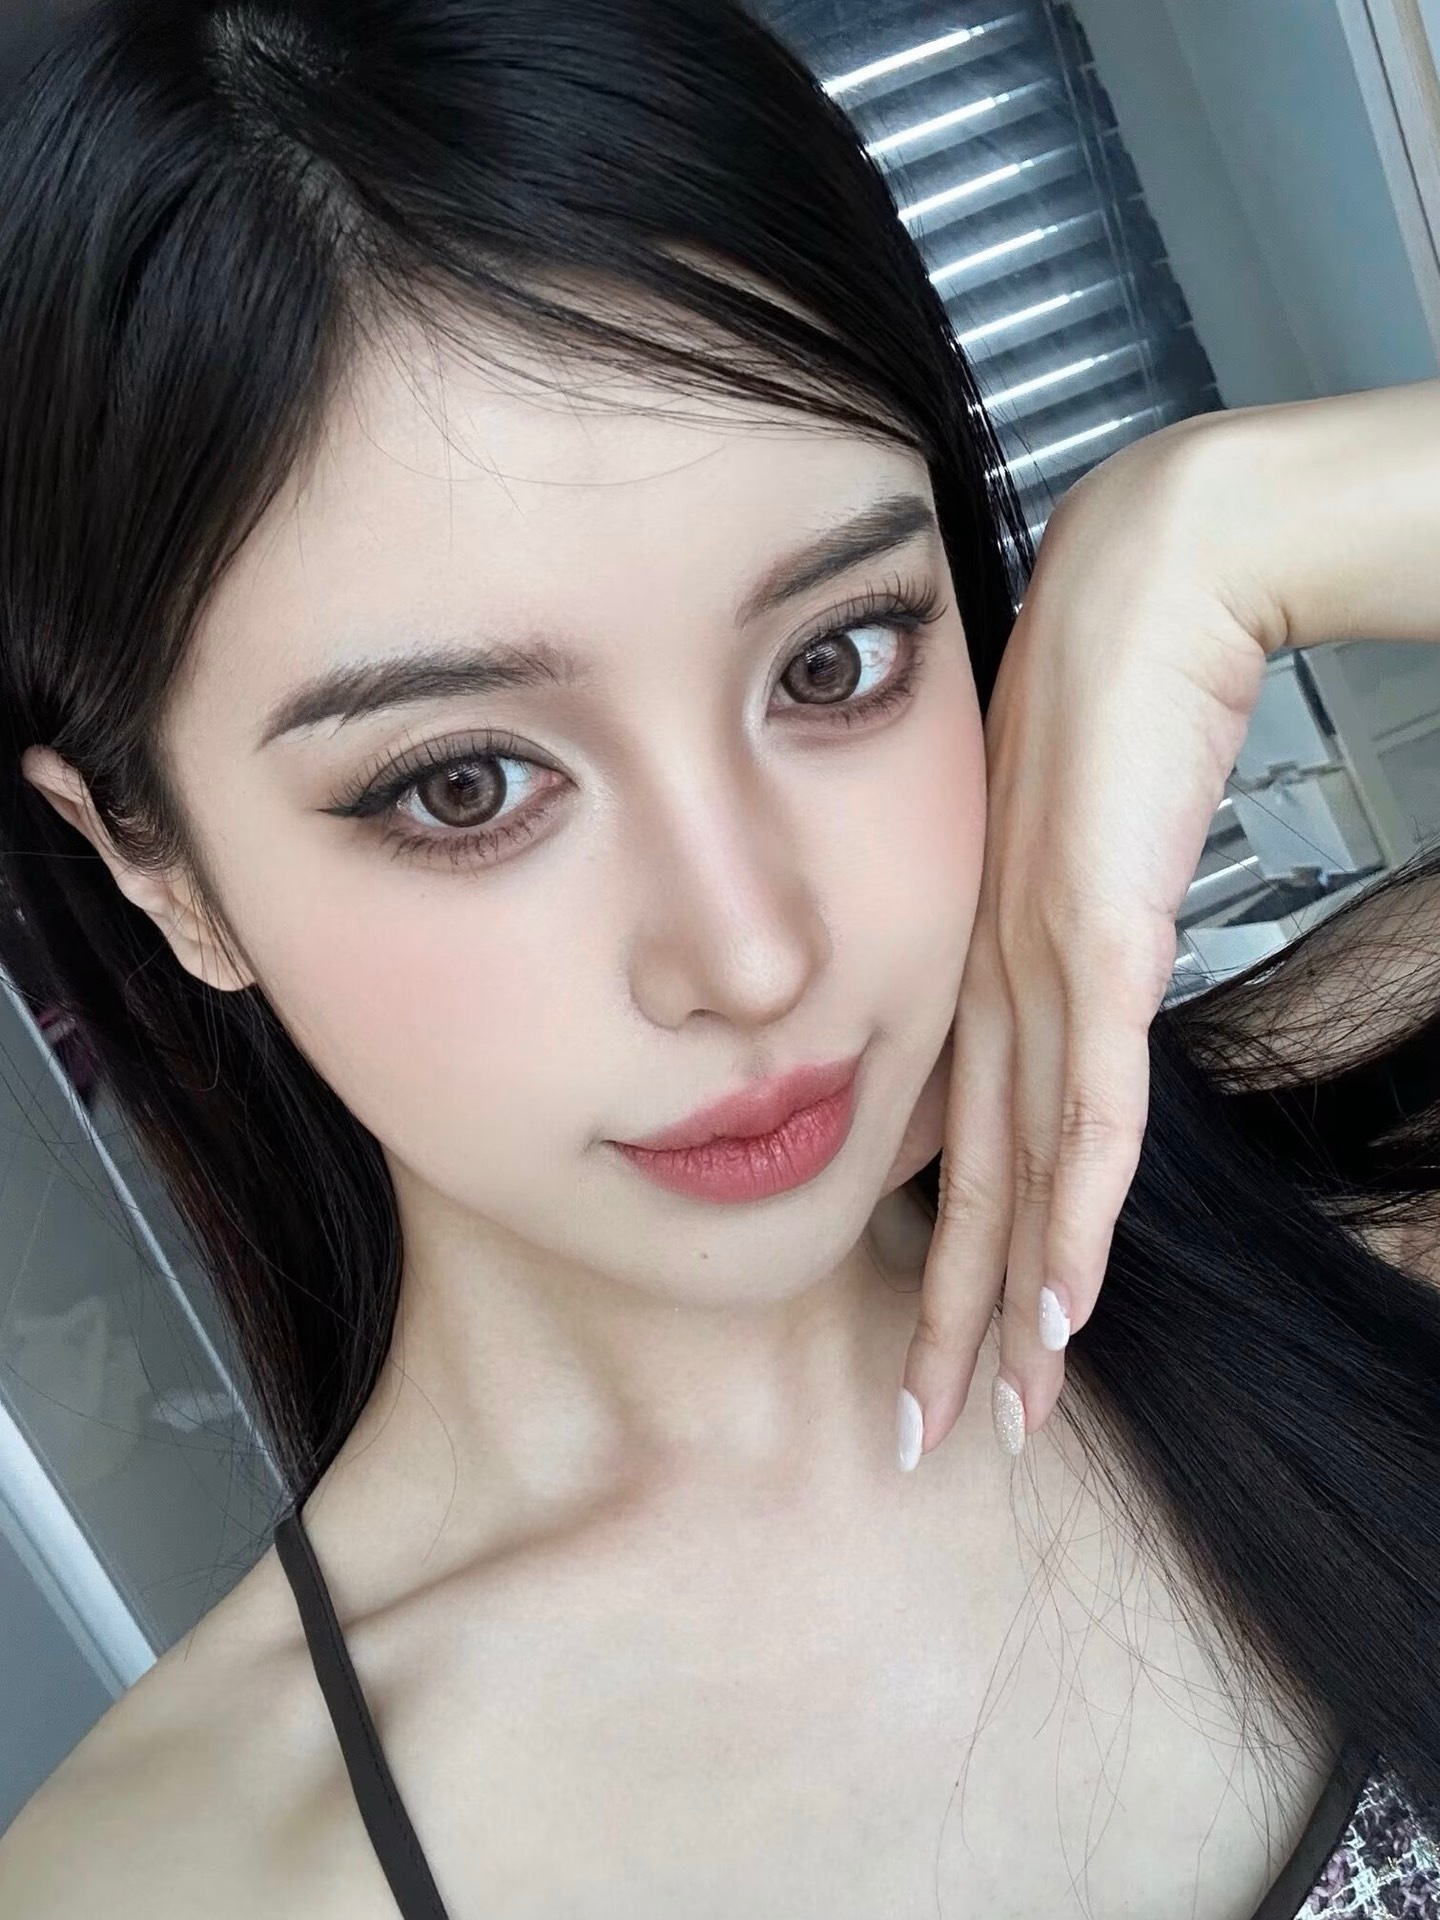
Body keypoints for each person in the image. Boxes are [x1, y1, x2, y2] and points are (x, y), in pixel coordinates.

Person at [0, 1, 1437, 1915]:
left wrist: (1234, 526)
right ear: (159, 866)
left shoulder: (1363, 1189)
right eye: (462, 785)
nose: (751, 957)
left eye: (835, 660)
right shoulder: (175, 1880)